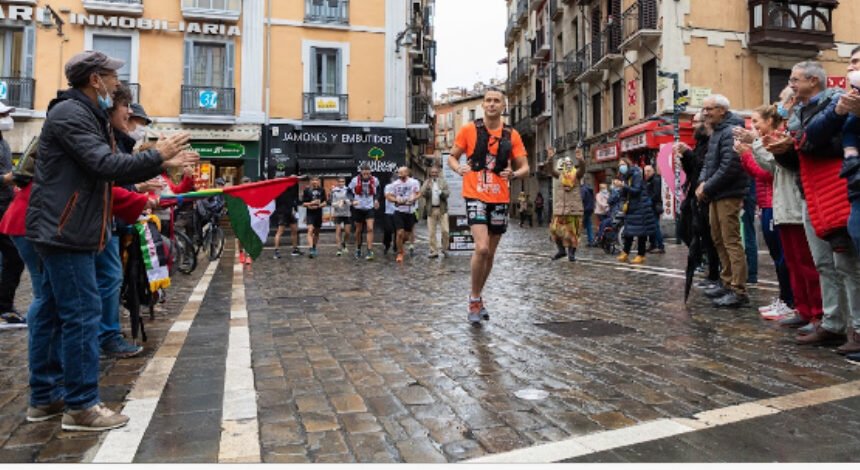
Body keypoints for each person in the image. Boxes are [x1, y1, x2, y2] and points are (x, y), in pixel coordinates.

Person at [26, 50, 194, 430]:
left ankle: (45, 397)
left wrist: (157, 161)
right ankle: (81, 405)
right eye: (112, 77)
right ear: (95, 80)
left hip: (67, 227)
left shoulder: (86, 115)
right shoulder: (72, 114)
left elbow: (107, 170)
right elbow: (104, 165)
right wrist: (158, 155)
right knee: (82, 314)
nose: (118, 84)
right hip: (67, 230)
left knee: (52, 310)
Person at [766, 60, 860, 352]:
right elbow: (800, 153)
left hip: (834, 190)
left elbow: (816, 141)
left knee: (846, 264)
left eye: (795, 80)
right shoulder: (802, 110)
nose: (790, 85)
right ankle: (832, 323)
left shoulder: (835, 102)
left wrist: (803, 140)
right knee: (823, 263)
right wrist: (782, 150)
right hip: (810, 192)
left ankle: (854, 328)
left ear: (813, 81)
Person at [448, 88, 529, 326]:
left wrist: (514, 173)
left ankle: (478, 296)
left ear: (503, 106)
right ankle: (474, 299)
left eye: (496, 101)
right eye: (488, 101)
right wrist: (457, 167)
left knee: (490, 254)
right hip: (475, 194)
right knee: (481, 248)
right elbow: (453, 156)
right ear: (483, 105)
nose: (492, 104)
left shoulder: (511, 134)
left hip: (500, 197)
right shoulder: (469, 130)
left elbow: (525, 166)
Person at [741, 101, 822, 326]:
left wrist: (752, 147)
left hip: (790, 206)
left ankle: (815, 312)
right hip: (781, 207)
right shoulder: (782, 136)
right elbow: (766, 169)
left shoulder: (788, 137)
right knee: (793, 263)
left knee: (804, 264)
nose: (754, 126)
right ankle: (803, 309)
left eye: (757, 121)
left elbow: (770, 167)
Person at [696, 94, 750, 308]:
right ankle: (727, 282)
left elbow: (730, 166)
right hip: (717, 193)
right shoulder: (718, 131)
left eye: (710, 109)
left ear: (722, 110)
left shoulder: (729, 131)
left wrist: (706, 186)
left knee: (731, 241)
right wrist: (702, 183)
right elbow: (709, 164)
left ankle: (738, 290)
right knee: (719, 239)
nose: (705, 113)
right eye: (704, 109)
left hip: (728, 193)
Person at [676, 113, 721, 289]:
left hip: (706, 194)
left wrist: (687, 153)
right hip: (695, 193)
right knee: (687, 231)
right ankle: (708, 267)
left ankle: (714, 274)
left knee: (711, 237)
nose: (693, 126)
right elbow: (694, 169)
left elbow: (704, 166)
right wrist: (684, 157)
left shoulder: (711, 142)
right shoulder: (700, 143)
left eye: (696, 122)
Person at [0, 101, 24, 327]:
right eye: (3, 115)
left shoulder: (4, 144)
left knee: (14, 259)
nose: (7, 119)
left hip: (5, 207)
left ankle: (5, 307)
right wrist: (6, 179)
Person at [543, 148, 584, 261]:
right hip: (559, 210)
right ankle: (561, 251)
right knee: (555, 230)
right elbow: (550, 170)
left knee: (573, 233)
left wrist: (580, 160)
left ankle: (571, 253)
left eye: (568, 164)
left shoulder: (577, 175)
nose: (566, 166)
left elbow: (582, 169)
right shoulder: (559, 176)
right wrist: (550, 158)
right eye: (563, 164)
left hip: (573, 209)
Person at [617, 157, 656, 264]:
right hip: (631, 208)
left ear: (628, 164)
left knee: (641, 232)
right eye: (619, 165)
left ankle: (641, 254)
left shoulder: (636, 174)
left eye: (623, 164)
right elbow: (624, 194)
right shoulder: (625, 177)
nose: (621, 167)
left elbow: (636, 190)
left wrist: (623, 186)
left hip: (640, 207)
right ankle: (625, 252)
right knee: (629, 231)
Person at [386, 166, 421, 263]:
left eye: (402, 173)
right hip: (399, 211)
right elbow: (388, 196)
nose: (400, 175)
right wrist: (396, 200)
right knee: (400, 233)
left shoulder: (414, 182)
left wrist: (414, 198)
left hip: (410, 211)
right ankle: (400, 252)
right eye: (399, 173)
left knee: (406, 236)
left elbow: (418, 193)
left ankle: (400, 244)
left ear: (407, 172)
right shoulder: (395, 184)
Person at [349, 164, 380, 260]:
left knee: (370, 228)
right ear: (361, 172)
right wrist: (352, 200)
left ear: (370, 172)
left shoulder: (374, 180)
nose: (366, 174)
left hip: (369, 207)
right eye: (364, 172)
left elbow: (378, 191)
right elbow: (348, 191)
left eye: (368, 172)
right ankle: (358, 248)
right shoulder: (355, 180)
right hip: (358, 207)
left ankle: (369, 250)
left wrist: (376, 199)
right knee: (358, 230)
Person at [421, 166, 450, 258]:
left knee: (445, 230)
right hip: (431, 209)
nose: (434, 174)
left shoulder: (443, 182)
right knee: (431, 232)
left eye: (435, 172)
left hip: (442, 209)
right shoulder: (427, 182)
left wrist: (441, 192)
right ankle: (434, 251)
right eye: (432, 172)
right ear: (430, 173)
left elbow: (447, 193)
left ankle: (445, 249)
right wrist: (428, 189)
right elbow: (422, 193)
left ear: (438, 173)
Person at [273, 182, 303, 259]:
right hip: (282, 212)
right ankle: (276, 251)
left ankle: (295, 249)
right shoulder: (277, 190)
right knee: (280, 231)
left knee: (294, 230)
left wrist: (294, 209)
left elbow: (294, 200)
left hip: (290, 212)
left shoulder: (291, 189)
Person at [302, 176, 326, 258]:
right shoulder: (307, 190)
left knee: (316, 232)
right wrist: (311, 203)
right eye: (313, 180)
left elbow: (325, 202)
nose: (314, 181)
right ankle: (311, 248)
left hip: (318, 213)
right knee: (310, 230)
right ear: (310, 181)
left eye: (316, 180)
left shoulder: (322, 190)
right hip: (310, 213)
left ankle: (314, 246)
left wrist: (319, 205)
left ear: (319, 181)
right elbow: (303, 203)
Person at [643, 165, 665, 254]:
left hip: (654, 207)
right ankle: (653, 245)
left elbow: (656, 194)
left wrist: (648, 201)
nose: (647, 173)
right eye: (645, 171)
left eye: (648, 171)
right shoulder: (648, 181)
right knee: (651, 227)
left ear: (653, 171)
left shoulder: (656, 179)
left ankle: (660, 246)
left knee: (655, 226)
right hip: (649, 206)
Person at [329, 176, 353, 256]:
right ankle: (339, 249)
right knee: (338, 231)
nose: (341, 183)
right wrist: (338, 204)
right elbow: (331, 203)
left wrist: (345, 201)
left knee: (347, 232)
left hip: (347, 213)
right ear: (337, 182)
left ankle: (344, 243)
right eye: (339, 182)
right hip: (337, 214)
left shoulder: (348, 190)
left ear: (345, 182)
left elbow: (351, 201)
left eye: (343, 181)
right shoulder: (334, 191)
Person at [382, 173, 397, 255]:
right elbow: (387, 196)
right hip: (389, 211)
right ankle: (386, 244)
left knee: (397, 230)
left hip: (398, 211)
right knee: (388, 229)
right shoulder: (388, 187)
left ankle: (396, 246)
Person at [580, 179, 595, 247]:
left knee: (579, 224)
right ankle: (591, 240)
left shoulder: (582, 189)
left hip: (585, 209)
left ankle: (574, 240)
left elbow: (581, 199)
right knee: (589, 225)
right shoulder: (589, 188)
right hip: (590, 208)